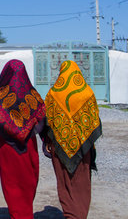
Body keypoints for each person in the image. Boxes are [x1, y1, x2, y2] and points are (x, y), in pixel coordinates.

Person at [0, 59, 47, 219]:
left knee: (11, 181)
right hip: (28, 145)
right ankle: (25, 213)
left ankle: (17, 213)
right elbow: (43, 118)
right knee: (28, 179)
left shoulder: (0, 96)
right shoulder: (33, 95)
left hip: (7, 147)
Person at [44, 60, 102, 219]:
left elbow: (47, 123)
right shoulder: (87, 93)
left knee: (65, 183)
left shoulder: (53, 94)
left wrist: (48, 141)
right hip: (84, 149)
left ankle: (70, 214)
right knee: (82, 183)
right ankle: (80, 215)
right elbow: (93, 120)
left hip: (59, 149)